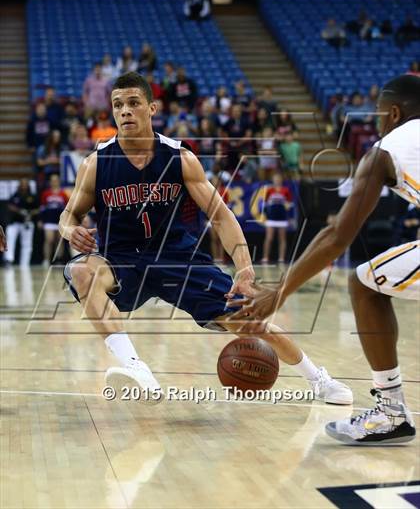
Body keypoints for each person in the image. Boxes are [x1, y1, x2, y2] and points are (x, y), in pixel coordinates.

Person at [59, 72, 351, 405]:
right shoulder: (96, 163)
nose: (125, 111)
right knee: (82, 271)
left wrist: (243, 267)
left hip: (178, 258)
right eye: (118, 105)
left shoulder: (180, 158)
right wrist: (71, 230)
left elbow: (222, 216)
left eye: (133, 103)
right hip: (122, 261)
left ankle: (319, 379)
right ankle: (136, 368)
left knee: (249, 322)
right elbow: (68, 215)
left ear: (152, 108)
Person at [228, 74, 420, 445]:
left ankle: (392, 412)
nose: (378, 123)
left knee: (363, 284)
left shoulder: (386, 149)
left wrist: (279, 293)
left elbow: (336, 237)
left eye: (380, 115)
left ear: (394, 113)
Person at [4, 179, 38, 266]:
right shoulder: (15, 195)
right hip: (15, 222)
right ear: (19, 185)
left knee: (27, 244)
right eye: (22, 184)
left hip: (27, 222)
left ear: (28, 186)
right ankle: (9, 260)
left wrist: (30, 213)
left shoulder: (32, 196)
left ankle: (25, 263)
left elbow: (38, 209)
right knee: (10, 239)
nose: (24, 186)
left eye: (25, 184)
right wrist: (19, 211)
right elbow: (9, 206)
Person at [261, 174, 293, 265]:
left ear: (281, 180)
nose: (277, 180)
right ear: (273, 180)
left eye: (279, 179)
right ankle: (265, 257)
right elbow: (265, 204)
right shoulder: (269, 190)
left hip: (282, 218)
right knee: (269, 238)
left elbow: (289, 205)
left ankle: (281, 258)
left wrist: (290, 217)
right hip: (271, 217)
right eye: (275, 179)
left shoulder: (286, 190)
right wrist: (264, 216)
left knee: (282, 238)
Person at [40, 174, 69, 266]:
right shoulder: (46, 193)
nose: (54, 182)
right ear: (50, 182)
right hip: (49, 220)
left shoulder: (63, 193)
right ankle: (46, 260)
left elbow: (67, 208)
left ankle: (58, 260)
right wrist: (41, 220)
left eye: (56, 180)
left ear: (58, 181)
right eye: (52, 180)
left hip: (60, 220)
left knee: (59, 240)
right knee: (49, 239)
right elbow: (42, 208)